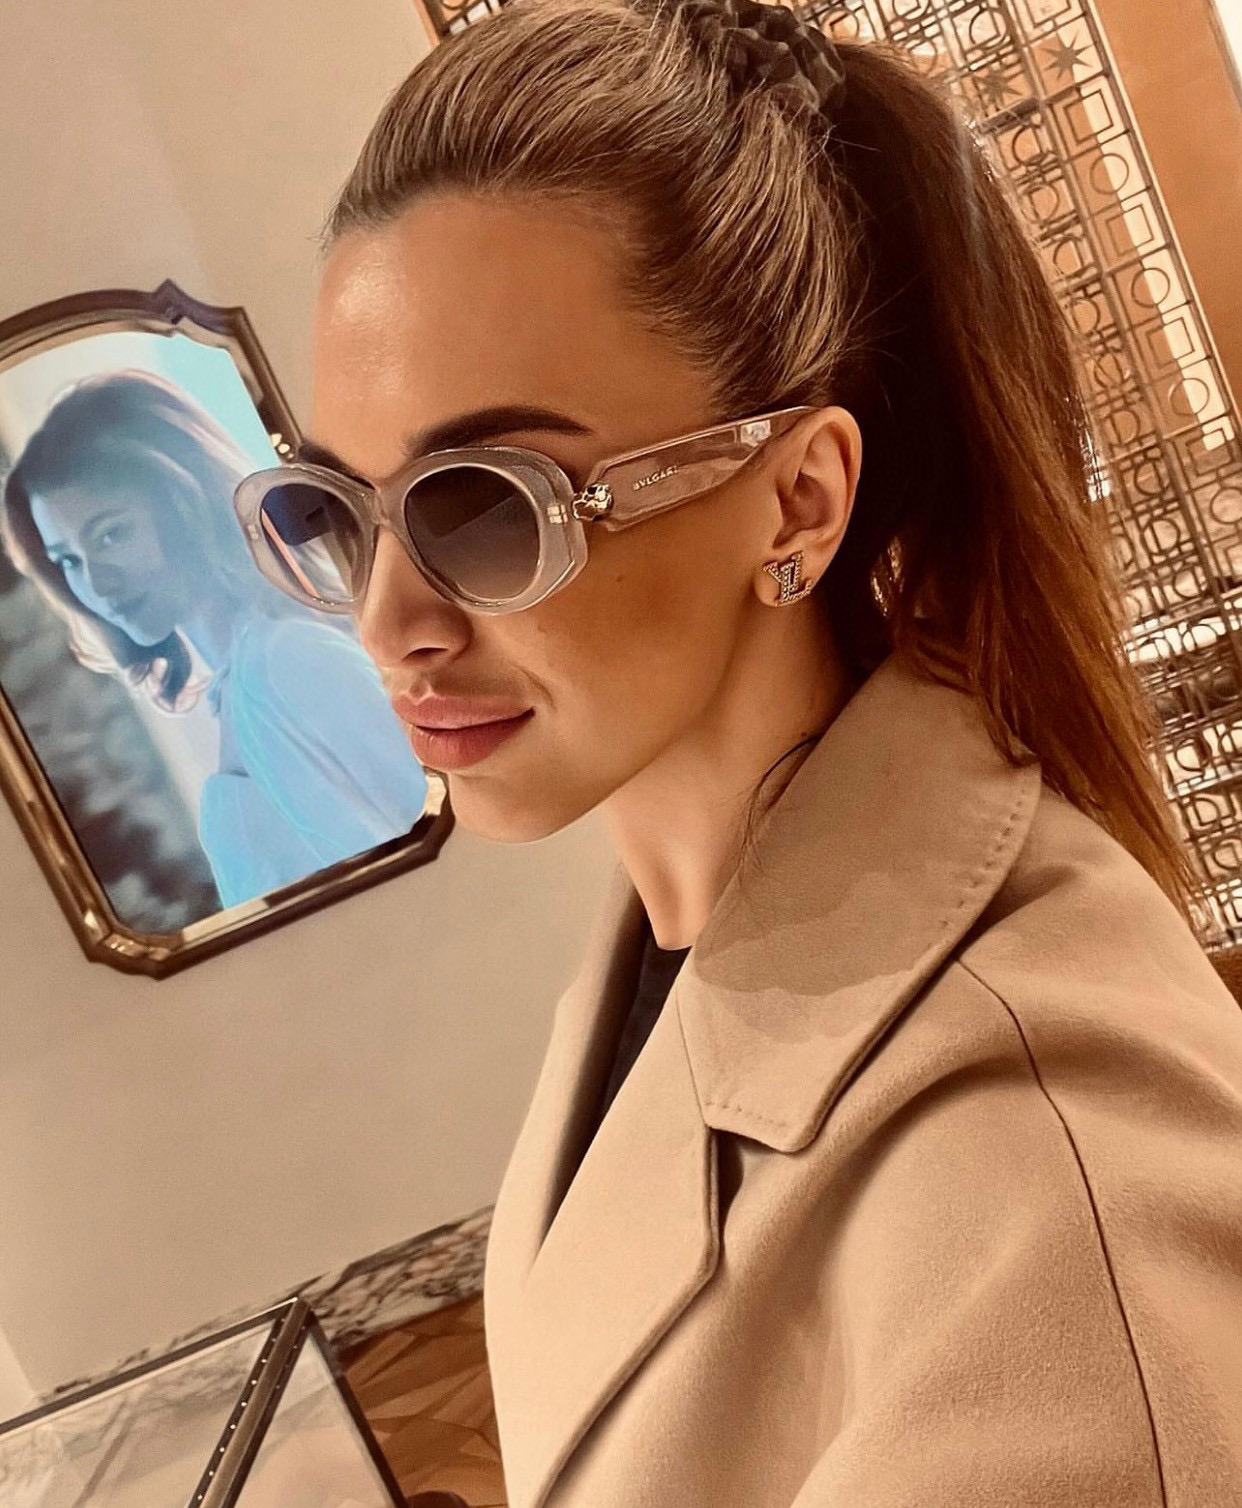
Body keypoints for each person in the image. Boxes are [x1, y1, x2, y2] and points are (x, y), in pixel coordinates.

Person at [233, 0, 1242, 1502]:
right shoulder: (666, 946)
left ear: (796, 502)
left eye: (489, 505)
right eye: (335, 514)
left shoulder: (1037, 1174)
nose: (390, 624)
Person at [1, 368, 428, 910]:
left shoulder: (287, 661)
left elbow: (423, 864)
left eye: (111, 534)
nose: (97, 585)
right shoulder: (247, 680)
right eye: (69, 561)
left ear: (184, 503)